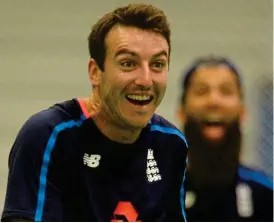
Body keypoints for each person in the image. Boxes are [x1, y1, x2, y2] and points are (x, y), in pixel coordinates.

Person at [1, 3, 188, 222]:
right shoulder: (48, 137)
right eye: (128, 63)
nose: (145, 80)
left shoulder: (172, 145)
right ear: (95, 72)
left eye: (157, 64)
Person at [177, 55, 273, 221]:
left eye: (226, 91)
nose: (214, 101)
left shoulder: (265, 195)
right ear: (182, 113)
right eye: (202, 91)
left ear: (243, 112)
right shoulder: (159, 193)